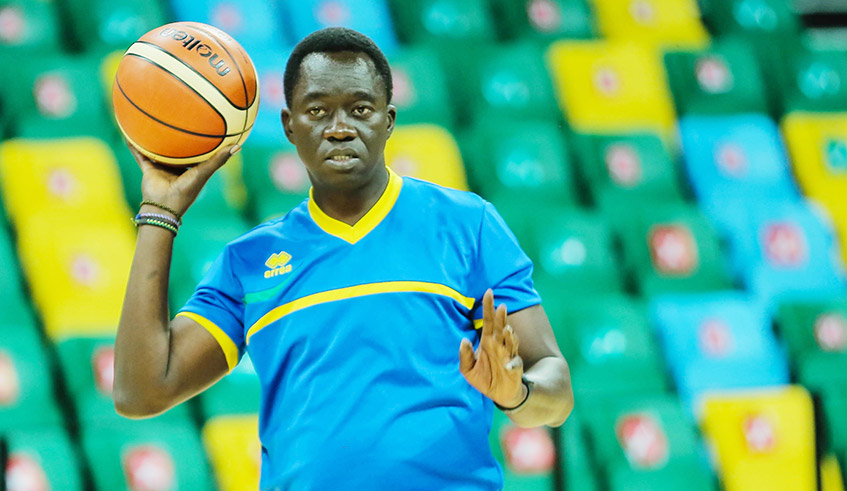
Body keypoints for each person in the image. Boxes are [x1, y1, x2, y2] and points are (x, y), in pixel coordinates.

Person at [114, 27, 573, 490]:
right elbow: (141, 391)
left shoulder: (467, 224)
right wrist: (161, 210)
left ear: (388, 120)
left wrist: (517, 394)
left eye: (360, 109)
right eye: (317, 111)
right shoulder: (251, 261)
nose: (340, 127)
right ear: (290, 125)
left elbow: (557, 390)